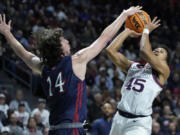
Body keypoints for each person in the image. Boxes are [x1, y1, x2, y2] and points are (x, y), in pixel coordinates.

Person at [0, 6, 142, 135]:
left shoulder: (43, 67)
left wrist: (7, 34)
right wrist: (124, 15)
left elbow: (23, 53)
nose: (67, 41)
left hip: (54, 130)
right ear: (59, 49)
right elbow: (104, 38)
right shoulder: (76, 60)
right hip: (72, 129)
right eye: (63, 40)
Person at [106, 17, 170, 135]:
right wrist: (127, 31)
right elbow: (110, 51)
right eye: (155, 49)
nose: (156, 51)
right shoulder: (134, 67)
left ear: (165, 61)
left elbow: (144, 51)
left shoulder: (163, 71)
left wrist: (146, 31)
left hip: (139, 123)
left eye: (161, 52)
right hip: (119, 119)